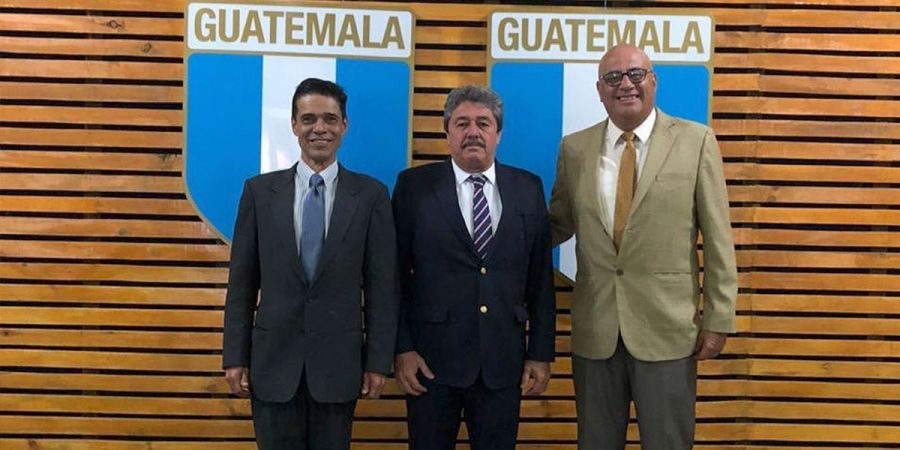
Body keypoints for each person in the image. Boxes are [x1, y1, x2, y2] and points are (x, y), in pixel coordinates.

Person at [548, 43, 738, 449]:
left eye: (636, 74)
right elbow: (558, 223)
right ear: (599, 90)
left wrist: (719, 317)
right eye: (613, 77)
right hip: (597, 331)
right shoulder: (574, 149)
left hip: (668, 329)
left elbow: (718, 237)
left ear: (653, 81)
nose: (626, 84)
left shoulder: (696, 141)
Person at [222, 78, 398, 450]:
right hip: (272, 365)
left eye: (330, 119)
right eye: (309, 119)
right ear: (294, 125)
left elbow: (382, 289)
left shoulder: (371, 196)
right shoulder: (258, 193)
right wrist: (235, 356)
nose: (320, 128)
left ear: (344, 125)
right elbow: (241, 285)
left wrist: (378, 361)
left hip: (339, 367)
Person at [391, 85, 556, 450]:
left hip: (503, 361)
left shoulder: (528, 187)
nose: (473, 132)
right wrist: (402, 349)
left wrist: (540, 352)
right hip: (430, 363)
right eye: (462, 123)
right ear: (447, 132)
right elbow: (394, 277)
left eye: (483, 123)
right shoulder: (413, 186)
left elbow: (540, 279)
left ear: (498, 132)